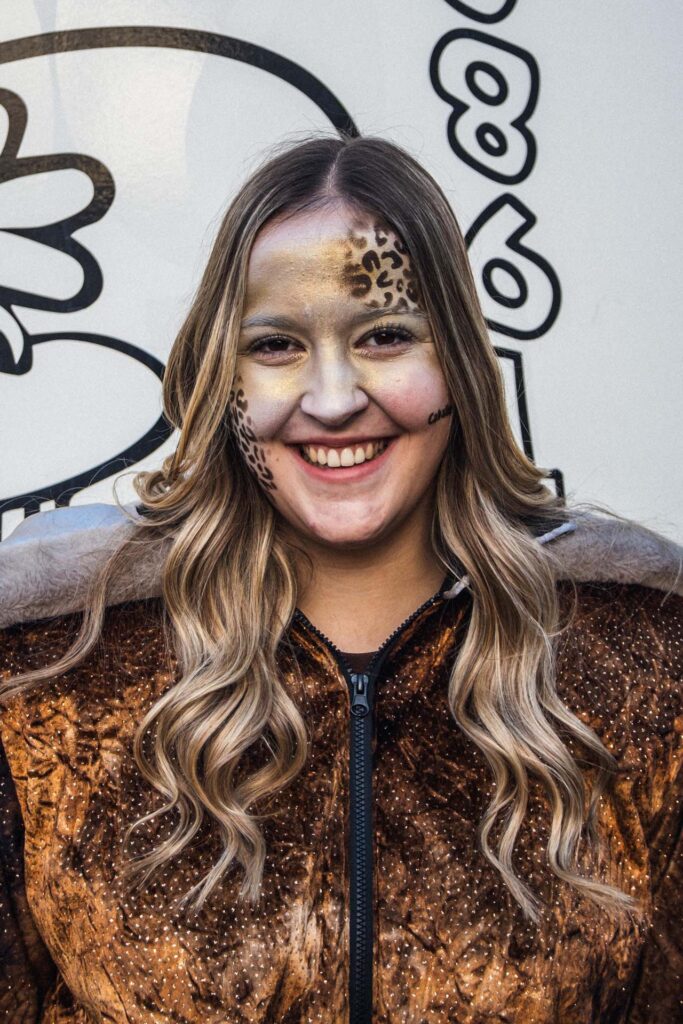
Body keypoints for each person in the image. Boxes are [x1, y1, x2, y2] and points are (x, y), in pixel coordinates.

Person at [0, 133, 681, 1024]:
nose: (331, 400)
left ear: (459, 361)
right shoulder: (48, 676)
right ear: (222, 378)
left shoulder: (644, 664)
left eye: (386, 336)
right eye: (276, 345)